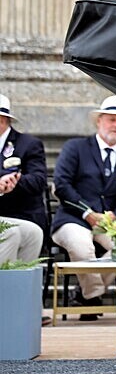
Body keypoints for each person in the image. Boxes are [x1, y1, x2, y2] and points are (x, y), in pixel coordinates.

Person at [51, 95, 116, 320]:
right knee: (82, 246)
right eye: (112, 120)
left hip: (107, 224)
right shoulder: (76, 148)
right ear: (99, 121)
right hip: (73, 218)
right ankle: (93, 296)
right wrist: (88, 213)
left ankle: (84, 295)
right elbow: (61, 184)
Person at [0, 95, 47, 265]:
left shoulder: (28, 144)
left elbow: (38, 180)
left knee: (32, 233)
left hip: (21, 212)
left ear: (3, 120)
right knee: (10, 233)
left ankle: (22, 288)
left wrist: (14, 182)